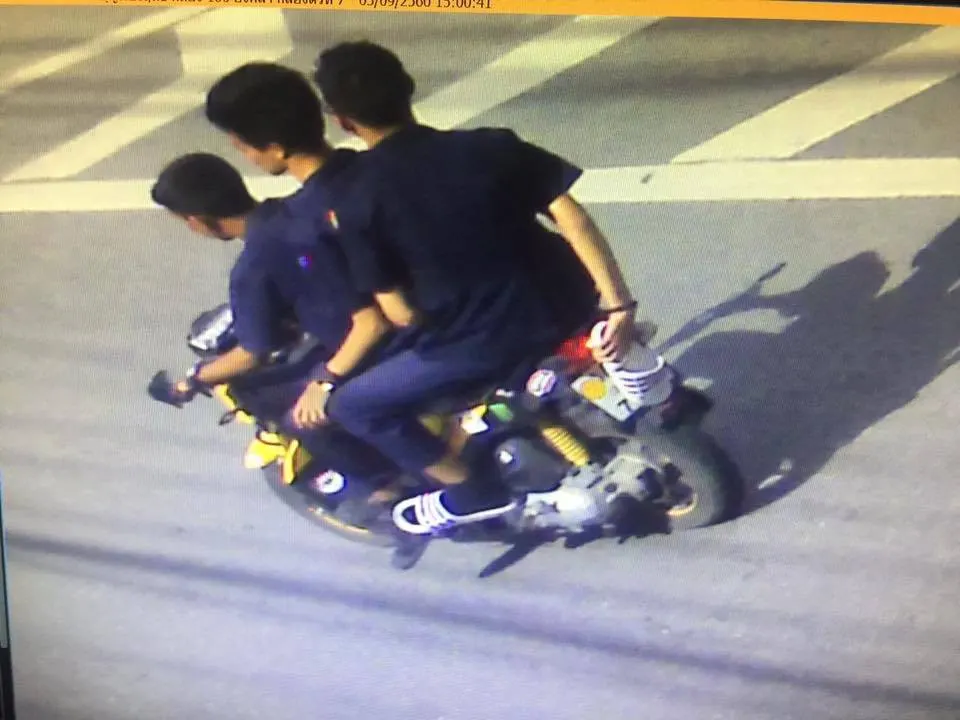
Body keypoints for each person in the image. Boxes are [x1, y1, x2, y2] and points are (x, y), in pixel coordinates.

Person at [308, 41, 642, 541]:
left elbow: (399, 314)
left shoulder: (355, 202)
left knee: (354, 405)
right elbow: (572, 218)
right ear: (408, 87)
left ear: (341, 121)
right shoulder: (490, 145)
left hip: (482, 344)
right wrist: (618, 304)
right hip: (569, 300)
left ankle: (470, 492)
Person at [150, 151, 406, 505]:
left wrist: (192, 381)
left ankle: (389, 488)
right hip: (401, 312)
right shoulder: (303, 207)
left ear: (197, 222)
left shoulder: (254, 267)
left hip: (374, 347)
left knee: (299, 419)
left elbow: (252, 354)